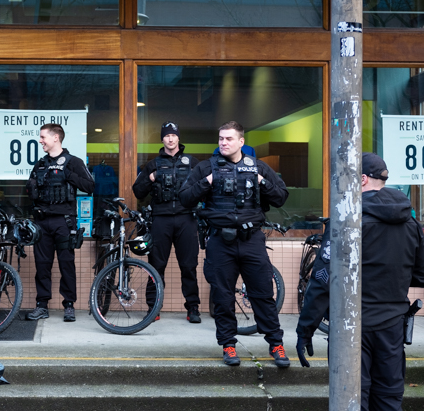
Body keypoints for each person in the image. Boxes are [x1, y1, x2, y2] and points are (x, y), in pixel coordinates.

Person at [296, 152, 424, 410]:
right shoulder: (411, 221)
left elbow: (322, 280)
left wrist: (305, 329)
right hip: (392, 326)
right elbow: (420, 274)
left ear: (362, 179)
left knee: (352, 399)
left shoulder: (347, 221)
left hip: (351, 327)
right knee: (388, 399)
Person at [179, 120, 290, 367]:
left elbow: (281, 197)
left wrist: (261, 180)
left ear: (241, 142)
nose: (223, 143)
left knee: (263, 294)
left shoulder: (258, 167)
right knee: (223, 296)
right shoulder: (206, 167)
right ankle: (228, 345)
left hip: (252, 240)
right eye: (220, 138)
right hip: (220, 240)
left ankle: (276, 344)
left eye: (229, 139)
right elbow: (184, 198)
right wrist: (206, 182)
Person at [132, 121, 201, 322]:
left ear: (179, 138)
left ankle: (193, 308)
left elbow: (207, 188)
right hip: (160, 220)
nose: (170, 139)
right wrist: (151, 178)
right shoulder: (153, 164)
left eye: (173, 135)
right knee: (156, 266)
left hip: (186, 219)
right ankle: (153, 308)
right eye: (166, 135)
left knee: (188, 265)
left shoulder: (193, 163)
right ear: (162, 139)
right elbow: (137, 191)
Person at [25, 123, 94, 322]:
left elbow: (90, 185)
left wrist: (68, 176)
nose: (40, 141)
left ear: (56, 138)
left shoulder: (73, 162)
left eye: (43, 137)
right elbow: (30, 191)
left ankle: (69, 305)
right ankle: (42, 305)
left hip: (64, 222)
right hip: (42, 222)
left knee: (66, 264)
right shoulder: (40, 164)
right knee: (42, 265)